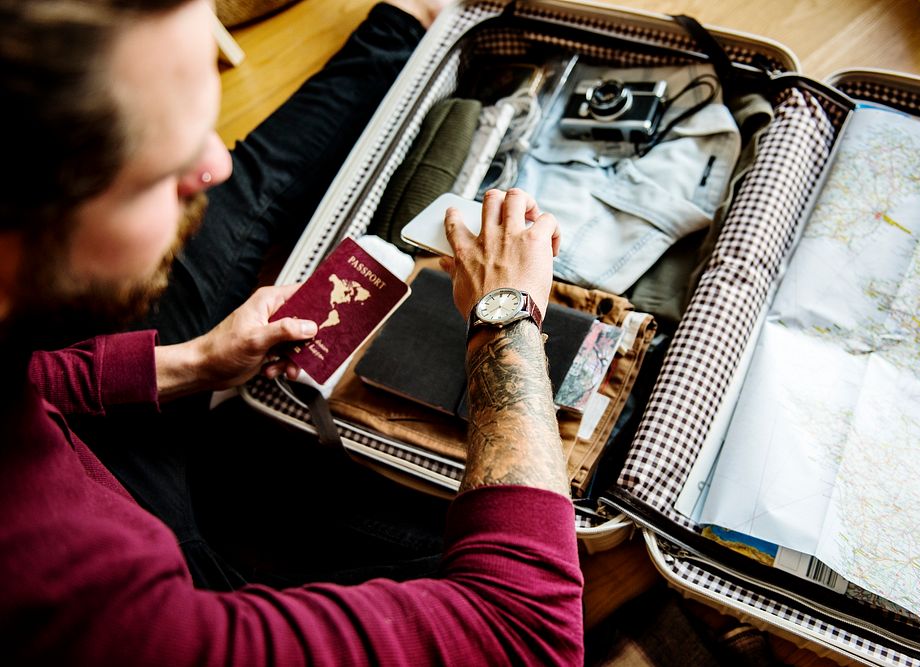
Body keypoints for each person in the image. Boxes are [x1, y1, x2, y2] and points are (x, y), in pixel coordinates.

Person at [0, 0, 583, 663]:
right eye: (157, 170)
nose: (211, 163)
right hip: (161, 564)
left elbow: (35, 373)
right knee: (518, 543)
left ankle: (406, 21)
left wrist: (191, 363)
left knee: (250, 185)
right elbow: (529, 632)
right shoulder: (76, 598)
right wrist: (506, 315)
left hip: (93, 461)